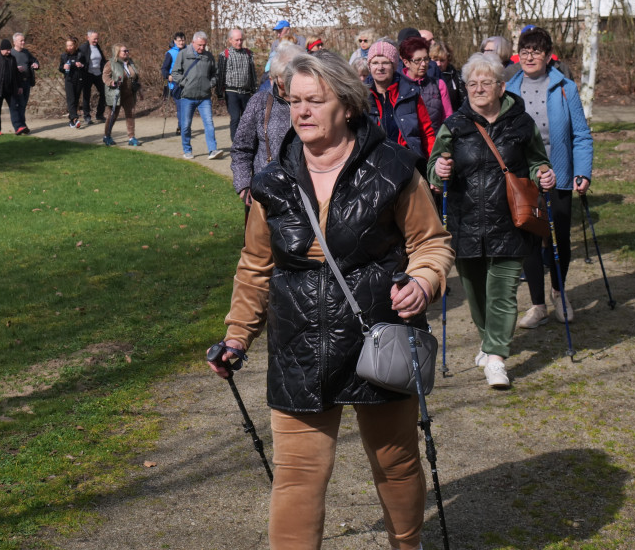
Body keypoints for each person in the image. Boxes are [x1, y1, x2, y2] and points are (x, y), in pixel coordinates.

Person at [209, 51, 453, 550]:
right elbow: (256, 265)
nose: (301, 112)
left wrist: (424, 282)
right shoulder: (271, 183)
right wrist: (237, 336)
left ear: (345, 104)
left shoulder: (394, 169)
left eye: (314, 101)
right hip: (299, 342)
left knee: (396, 461)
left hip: (378, 338)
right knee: (296, 475)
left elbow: (431, 242)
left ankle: (408, 544)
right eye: (294, 101)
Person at [428, 52, 556, 389]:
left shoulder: (521, 124)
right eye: (472, 84)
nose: (479, 88)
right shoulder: (454, 125)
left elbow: (536, 162)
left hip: (510, 220)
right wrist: (439, 170)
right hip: (465, 219)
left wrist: (543, 173)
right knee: (475, 292)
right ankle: (488, 340)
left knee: (502, 290)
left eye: (486, 82)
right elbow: (434, 169)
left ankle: (496, 358)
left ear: (501, 87)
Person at [505, 26, 593, 327]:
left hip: (560, 174)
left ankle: (558, 292)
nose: (530, 57)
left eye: (536, 51)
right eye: (525, 51)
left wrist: (583, 171)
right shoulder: (509, 88)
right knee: (528, 237)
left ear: (547, 55)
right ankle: (537, 305)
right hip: (522, 177)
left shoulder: (565, 87)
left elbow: (581, 134)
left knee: (560, 238)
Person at [230, 42, 302, 209]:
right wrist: (244, 186)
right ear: (276, 77)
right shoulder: (260, 102)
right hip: (266, 193)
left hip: (304, 193)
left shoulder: (311, 104)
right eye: (286, 78)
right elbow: (241, 148)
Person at [173, 31, 223, 160]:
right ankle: (187, 150)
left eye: (204, 45)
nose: (202, 48)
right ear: (193, 42)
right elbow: (175, 73)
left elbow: (215, 74)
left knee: (209, 124)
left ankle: (212, 150)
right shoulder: (183, 54)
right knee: (185, 126)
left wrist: (210, 84)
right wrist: (185, 83)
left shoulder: (208, 56)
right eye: (199, 45)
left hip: (204, 97)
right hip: (187, 97)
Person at [216, 28, 258, 141]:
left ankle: (247, 141)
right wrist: (220, 94)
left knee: (247, 119)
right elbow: (220, 76)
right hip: (231, 92)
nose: (239, 42)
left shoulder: (248, 54)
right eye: (236, 40)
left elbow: (252, 73)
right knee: (235, 118)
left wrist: (255, 91)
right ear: (230, 40)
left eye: (241, 40)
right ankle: (235, 142)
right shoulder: (224, 55)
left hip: (246, 92)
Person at [102, 44, 142, 147]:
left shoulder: (130, 62)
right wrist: (112, 83)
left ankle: (131, 137)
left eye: (127, 50)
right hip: (116, 93)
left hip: (129, 93)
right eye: (124, 51)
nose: (126, 52)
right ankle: (107, 136)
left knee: (130, 114)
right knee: (113, 115)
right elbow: (105, 77)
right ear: (117, 53)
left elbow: (135, 75)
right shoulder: (111, 63)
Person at [364, 40, 399, 142]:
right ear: (369, 67)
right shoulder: (361, 97)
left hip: (408, 155)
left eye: (385, 63)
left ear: (393, 66)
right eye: (375, 63)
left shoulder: (409, 93)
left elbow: (426, 132)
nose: (380, 68)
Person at [10, 32, 39, 135]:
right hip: (16, 83)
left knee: (23, 105)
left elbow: (34, 60)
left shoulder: (26, 52)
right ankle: (19, 126)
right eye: (21, 41)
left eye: (23, 40)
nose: (23, 42)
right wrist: (16, 69)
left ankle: (22, 125)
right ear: (14, 42)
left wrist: (35, 64)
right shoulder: (11, 54)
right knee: (17, 105)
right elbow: (6, 69)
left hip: (27, 82)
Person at [78, 30, 107, 125]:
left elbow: (102, 59)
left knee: (104, 92)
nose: (96, 40)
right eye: (94, 38)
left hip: (98, 73)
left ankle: (99, 114)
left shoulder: (98, 47)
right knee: (86, 95)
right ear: (88, 38)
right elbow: (79, 59)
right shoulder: (83, 48)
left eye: (97, 38)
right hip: (87, 74)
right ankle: (87, 116)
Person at [161, 31, 186, 134]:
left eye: (183, 40)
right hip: (175, 84)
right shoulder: (170, 53)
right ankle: (181, 127)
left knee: (187, 107)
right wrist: (168, 76)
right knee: (181, 107)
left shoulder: (189, 50)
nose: (181, 42)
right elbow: (164, 68)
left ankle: (183, 126)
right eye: (179, 40)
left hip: (188, 83)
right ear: (175, 41)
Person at [429, 38, 463, 111]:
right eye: (435, 60)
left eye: (442, 60)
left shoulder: (457, 77)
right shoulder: (426, 78)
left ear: (448, 60)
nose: (438, 64)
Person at [59, 37, 86, 128]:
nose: (69, 47)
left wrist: (81, 65)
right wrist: (64, 67)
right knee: (70, 99)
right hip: (69, 80)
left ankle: (71, 120)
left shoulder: (80, 55)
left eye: (71, 45)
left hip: (79, 79)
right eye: (67, 45)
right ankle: (75, 119)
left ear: (75, 45)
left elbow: (86, 66)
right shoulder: (63, 56)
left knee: (76, 99)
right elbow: (60, 68)